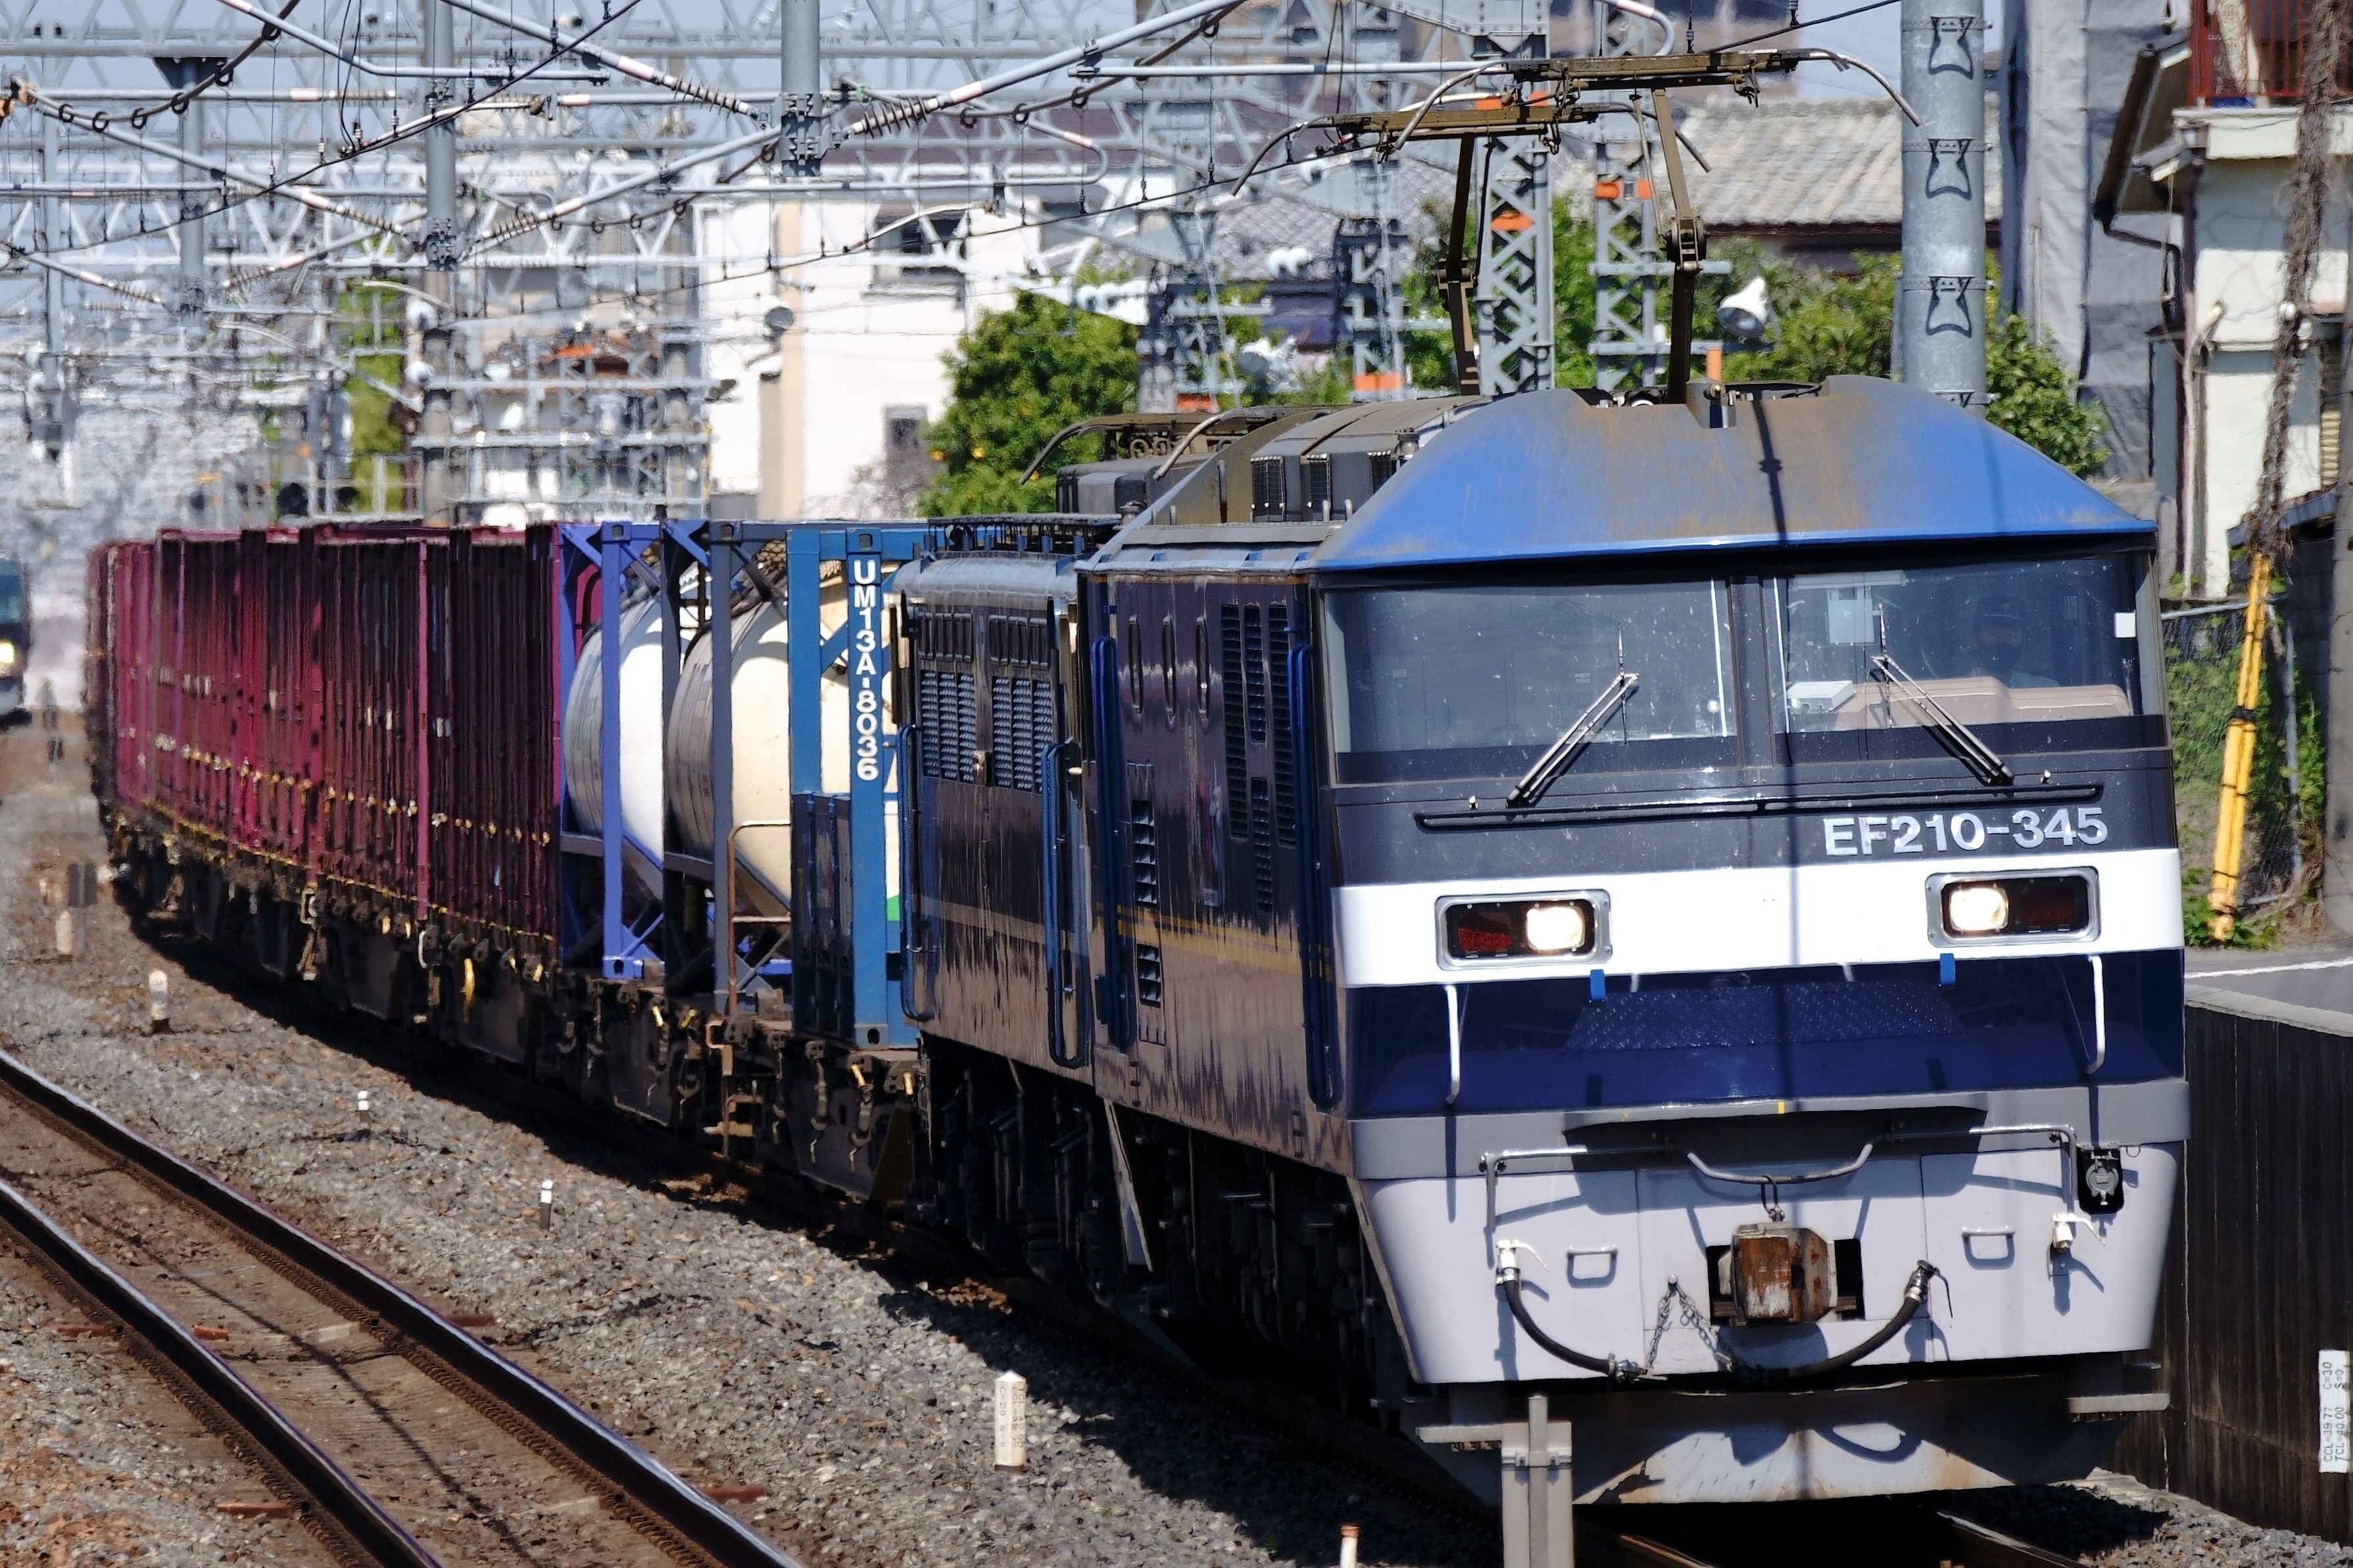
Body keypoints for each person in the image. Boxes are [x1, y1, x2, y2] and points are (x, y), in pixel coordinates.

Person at [1965, 596, 2052, 687]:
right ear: (1975, 640)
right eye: (1994, 633)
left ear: (2024, 641)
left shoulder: (2044, 689)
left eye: (2010, 634)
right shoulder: (1959, 690)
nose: (2002, 640)